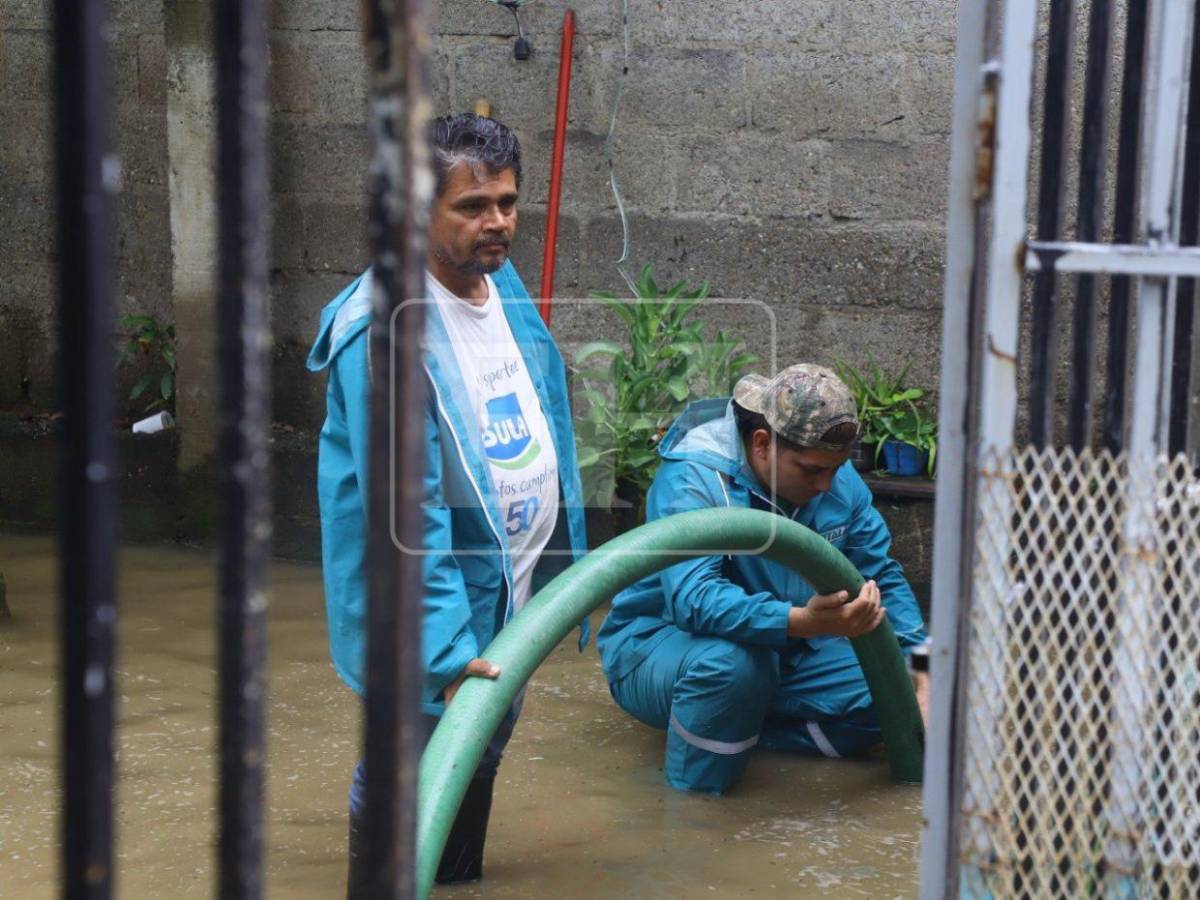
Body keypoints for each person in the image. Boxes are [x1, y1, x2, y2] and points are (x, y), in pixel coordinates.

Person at [306, 113, 588, 891]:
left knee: (482, 742)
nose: (495, 221)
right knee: (412, 759)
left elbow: (548, 417)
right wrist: (444, 653)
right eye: (471, 207)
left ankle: (455, 881)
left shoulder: (500, 281)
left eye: (505, 201)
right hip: (431, 607)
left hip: (507, 583)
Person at [596, 364, 929, 794]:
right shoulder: (696, 479)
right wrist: (800, 622)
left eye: (836, 468)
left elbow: (880, 572)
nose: (827, 484)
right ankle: (695, 812)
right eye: (811, 471)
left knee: (899, 686)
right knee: (735, 667)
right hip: (665, 648)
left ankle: (745, 734)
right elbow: (693, 599)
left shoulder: (831, 475)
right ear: (761, 444)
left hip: (787, 645)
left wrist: (924, 671)